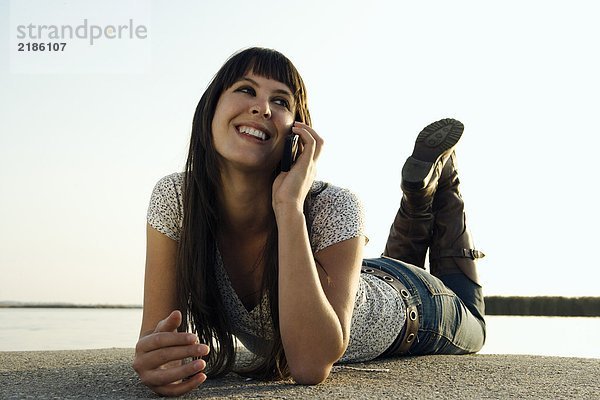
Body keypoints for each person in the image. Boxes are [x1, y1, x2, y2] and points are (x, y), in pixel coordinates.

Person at [132, 47, 486, 397]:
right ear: (210, 108)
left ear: (297, 134)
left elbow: (309, 365)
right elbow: (157, 336)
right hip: (359, 275)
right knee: (388, 260)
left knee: (475, 321)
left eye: (282, 101)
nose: (262, 107)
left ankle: (441, 181)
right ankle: (418, 197)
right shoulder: (177, 199)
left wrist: (288, 206)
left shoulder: (330, 204)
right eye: (245, 89)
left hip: (417, 308)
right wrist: (155, 361)